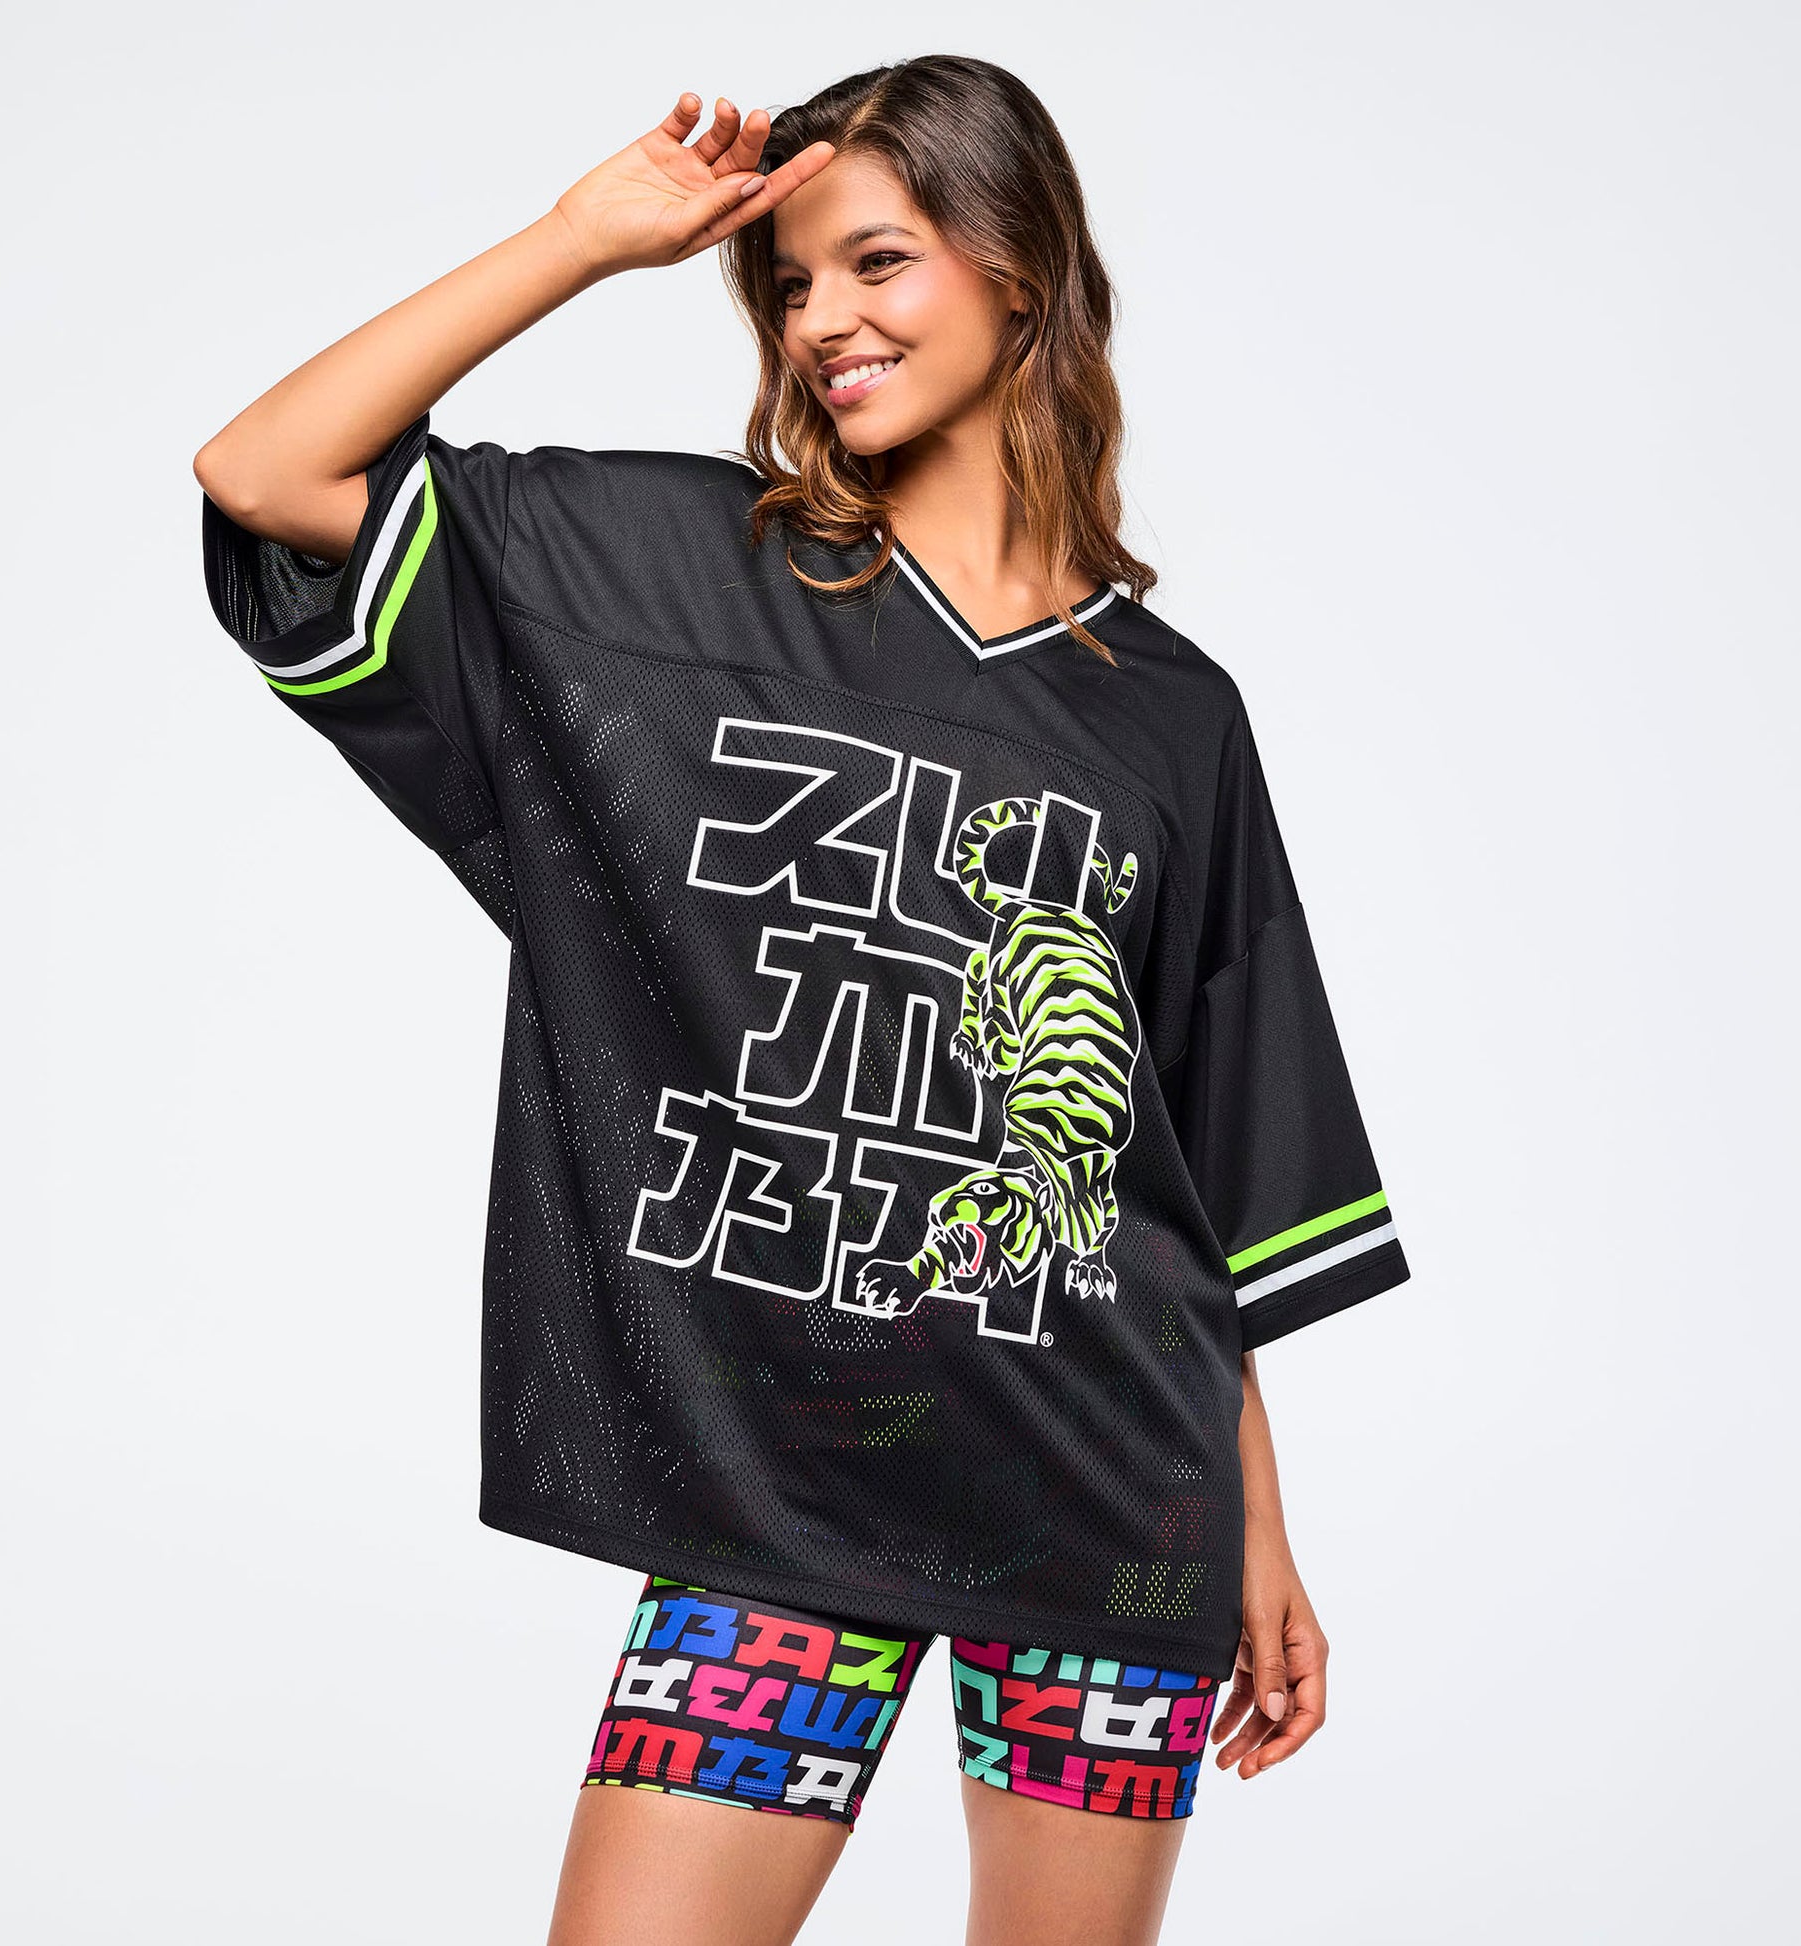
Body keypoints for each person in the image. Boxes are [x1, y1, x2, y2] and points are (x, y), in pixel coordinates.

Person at [195, 54, 1410, 1946]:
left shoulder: (1172, 716)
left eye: (878, 261)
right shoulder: (671, 574)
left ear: (1017, 266)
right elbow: (269, 474)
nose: (823, 319)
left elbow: (1187, 1158)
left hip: (1111, 1496)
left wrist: (1256, 1526)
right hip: (775, 1485)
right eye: (788, 285)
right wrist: (581, 240)